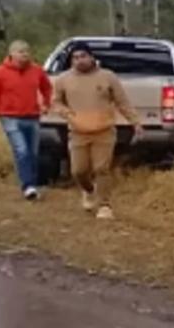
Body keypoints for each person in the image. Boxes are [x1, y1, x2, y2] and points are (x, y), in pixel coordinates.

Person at [52, 42, 142, 220]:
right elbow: (56, 102)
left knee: (101, 168)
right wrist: (66, 112)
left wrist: (135, 122)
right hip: (78, 131)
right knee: (78, 170)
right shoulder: (63, 79)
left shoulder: (107, 77)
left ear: (92, 57)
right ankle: (88, 190)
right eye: (75, 58)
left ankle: (104, 205)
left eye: (83, 56)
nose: (80, 61)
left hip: (104, 130)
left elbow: (122, 102)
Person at [0, 41, 53, 200]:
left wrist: (46, 103)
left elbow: (46, 87)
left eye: (26, 51)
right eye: (20, 51)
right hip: (10, 117)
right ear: (11, 53)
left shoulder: (36, 70)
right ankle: (28, 186)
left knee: (33, 153)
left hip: (32, 116)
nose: (24, 55)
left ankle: (32, 184)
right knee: (22, 151)